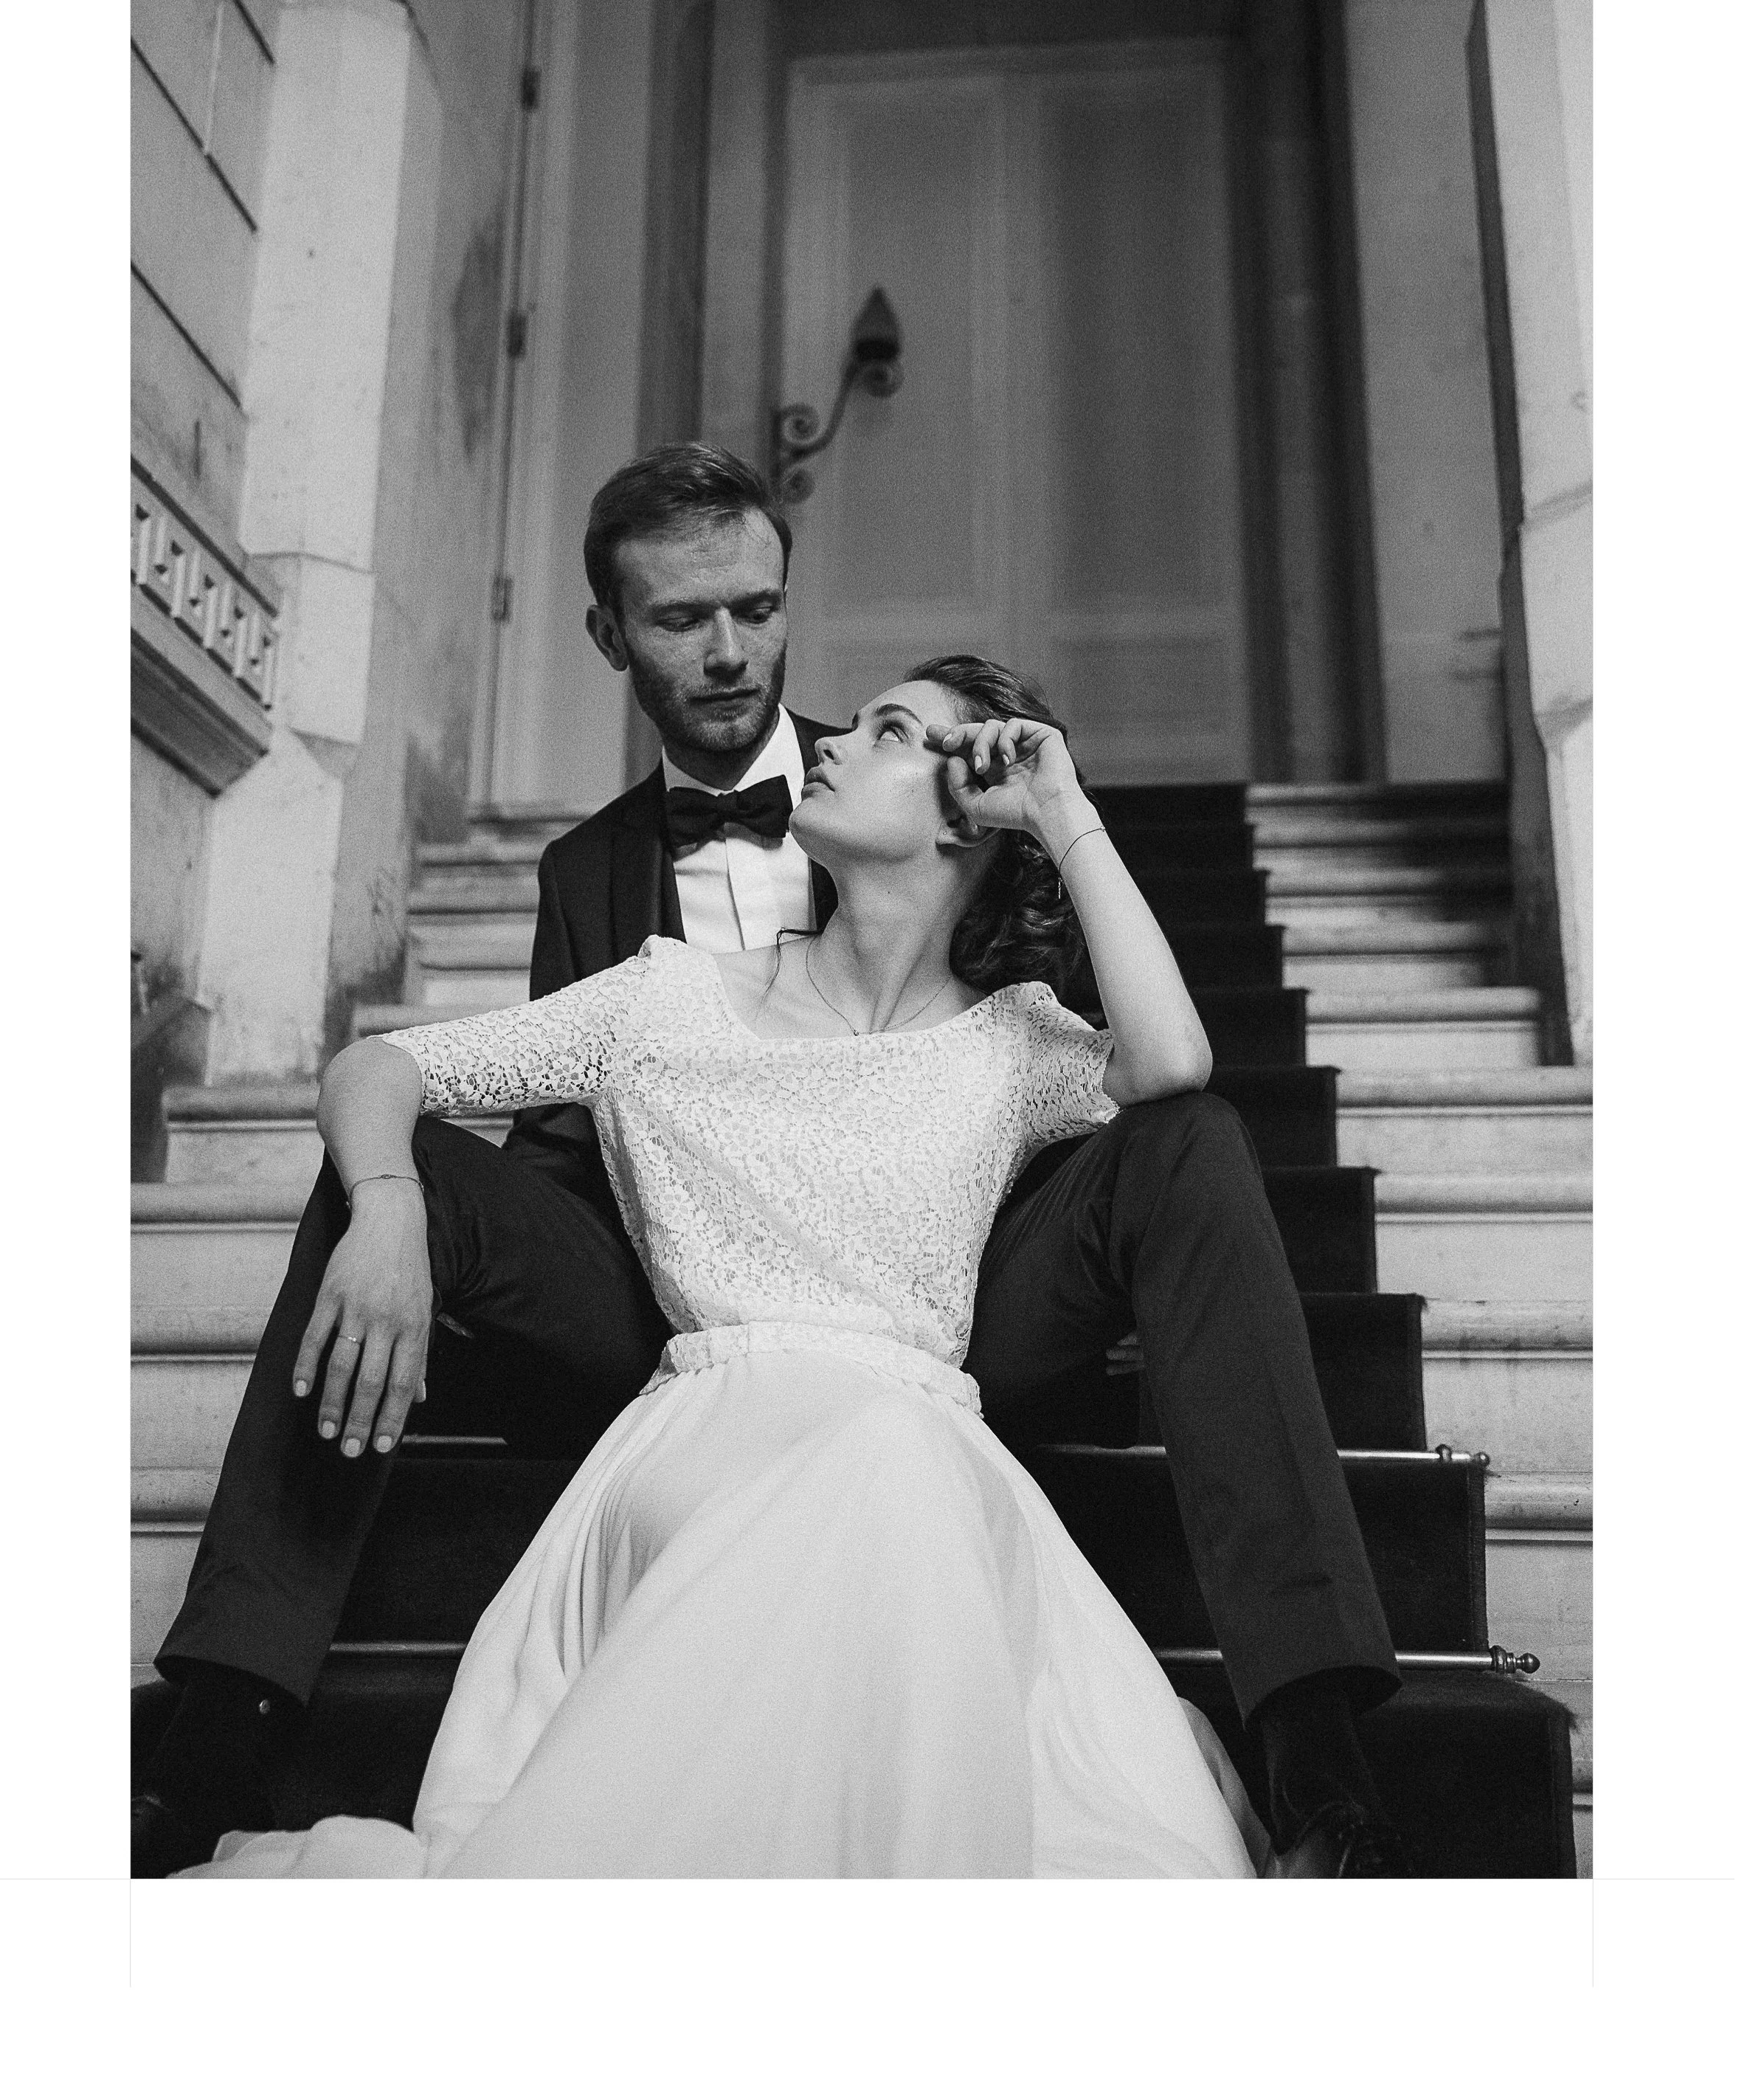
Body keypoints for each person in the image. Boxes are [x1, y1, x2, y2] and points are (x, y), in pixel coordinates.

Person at [134, 445, 1407, 1877]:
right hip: (683, 1303)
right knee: (384, 1173)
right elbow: (503, 1124)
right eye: (684, 619)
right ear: (612, 634)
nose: (733, 649)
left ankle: (1316, 1734)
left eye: (759, 605)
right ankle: (229, 1705)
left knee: (1197, 1139)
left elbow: (1162, 1062)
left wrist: (1054, 810)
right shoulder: (616, 917)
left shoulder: (980, 963)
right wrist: (397, 1204)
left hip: (937, 1300)